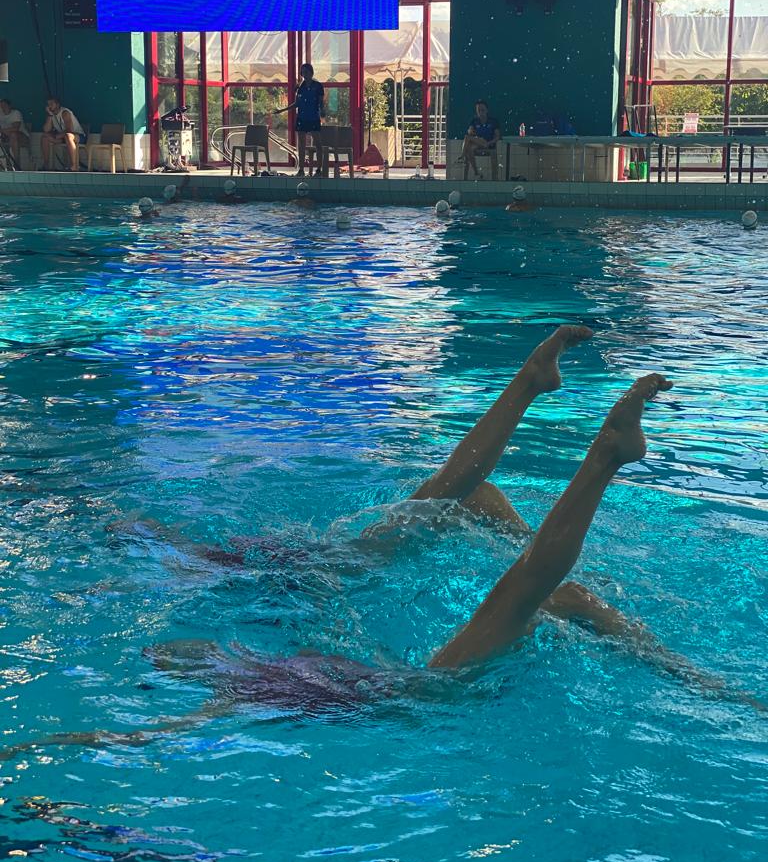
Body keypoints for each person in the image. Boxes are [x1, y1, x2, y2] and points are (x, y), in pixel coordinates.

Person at [4, 328, 763, 762]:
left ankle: (545, 399)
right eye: (179, 659)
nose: (181, 651)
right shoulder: (240, 691)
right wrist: (74, 738)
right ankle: (600, 454)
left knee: (539, 574)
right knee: (522, 575)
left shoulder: (259, 661)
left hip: (388, 649)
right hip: (429, 694)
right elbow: (148, 734)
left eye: (176, 654)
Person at [276, 63, 324, 177]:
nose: (304, 74)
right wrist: (283, 110)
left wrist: (322, 111)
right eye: (303, 72)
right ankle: (301, 169)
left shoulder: (318, 86)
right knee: (301, 144)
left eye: (306, 72)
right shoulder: (300, 87)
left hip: (313, 117)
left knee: (318, 143)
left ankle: (319, 169)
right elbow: (297, 103)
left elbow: (321, 102)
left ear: (311, 73)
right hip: (302, 117)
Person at [40, 96, 86, 172]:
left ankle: (74, 166)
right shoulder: (51, 115)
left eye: (51, 104)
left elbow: (69, 130)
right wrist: (50, 115)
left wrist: (58, 136)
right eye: (48, 104)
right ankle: (46, 165)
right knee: (44, 137)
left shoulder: (65, 112)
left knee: (68, 136)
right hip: (63, 137)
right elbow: (46, 130)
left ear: (57, 105)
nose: (49, 106)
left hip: (78, 136)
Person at [459, 100, 501, 179]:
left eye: (482, 110)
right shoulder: (474, 121)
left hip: (488, 144)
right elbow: (470, 131)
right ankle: (476, 172)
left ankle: (462, 157)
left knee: (467, 138)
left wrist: (489, 143)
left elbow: (497, 137)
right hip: (478, 143)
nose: (481, 112)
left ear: (487, 110)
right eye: (479, 110)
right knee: (469, 149)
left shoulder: (493, 121)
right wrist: (470, 131)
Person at [0, 98, 30, 168]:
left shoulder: (16, 113)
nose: (3, 107)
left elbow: (15, 128)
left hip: (22, 138)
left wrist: (2, 131)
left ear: (9, 106)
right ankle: (6, 165)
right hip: (7, 138)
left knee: (13, 134)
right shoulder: (0, 115)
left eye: (4, 105)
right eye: (1, 106)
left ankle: (16, 163)